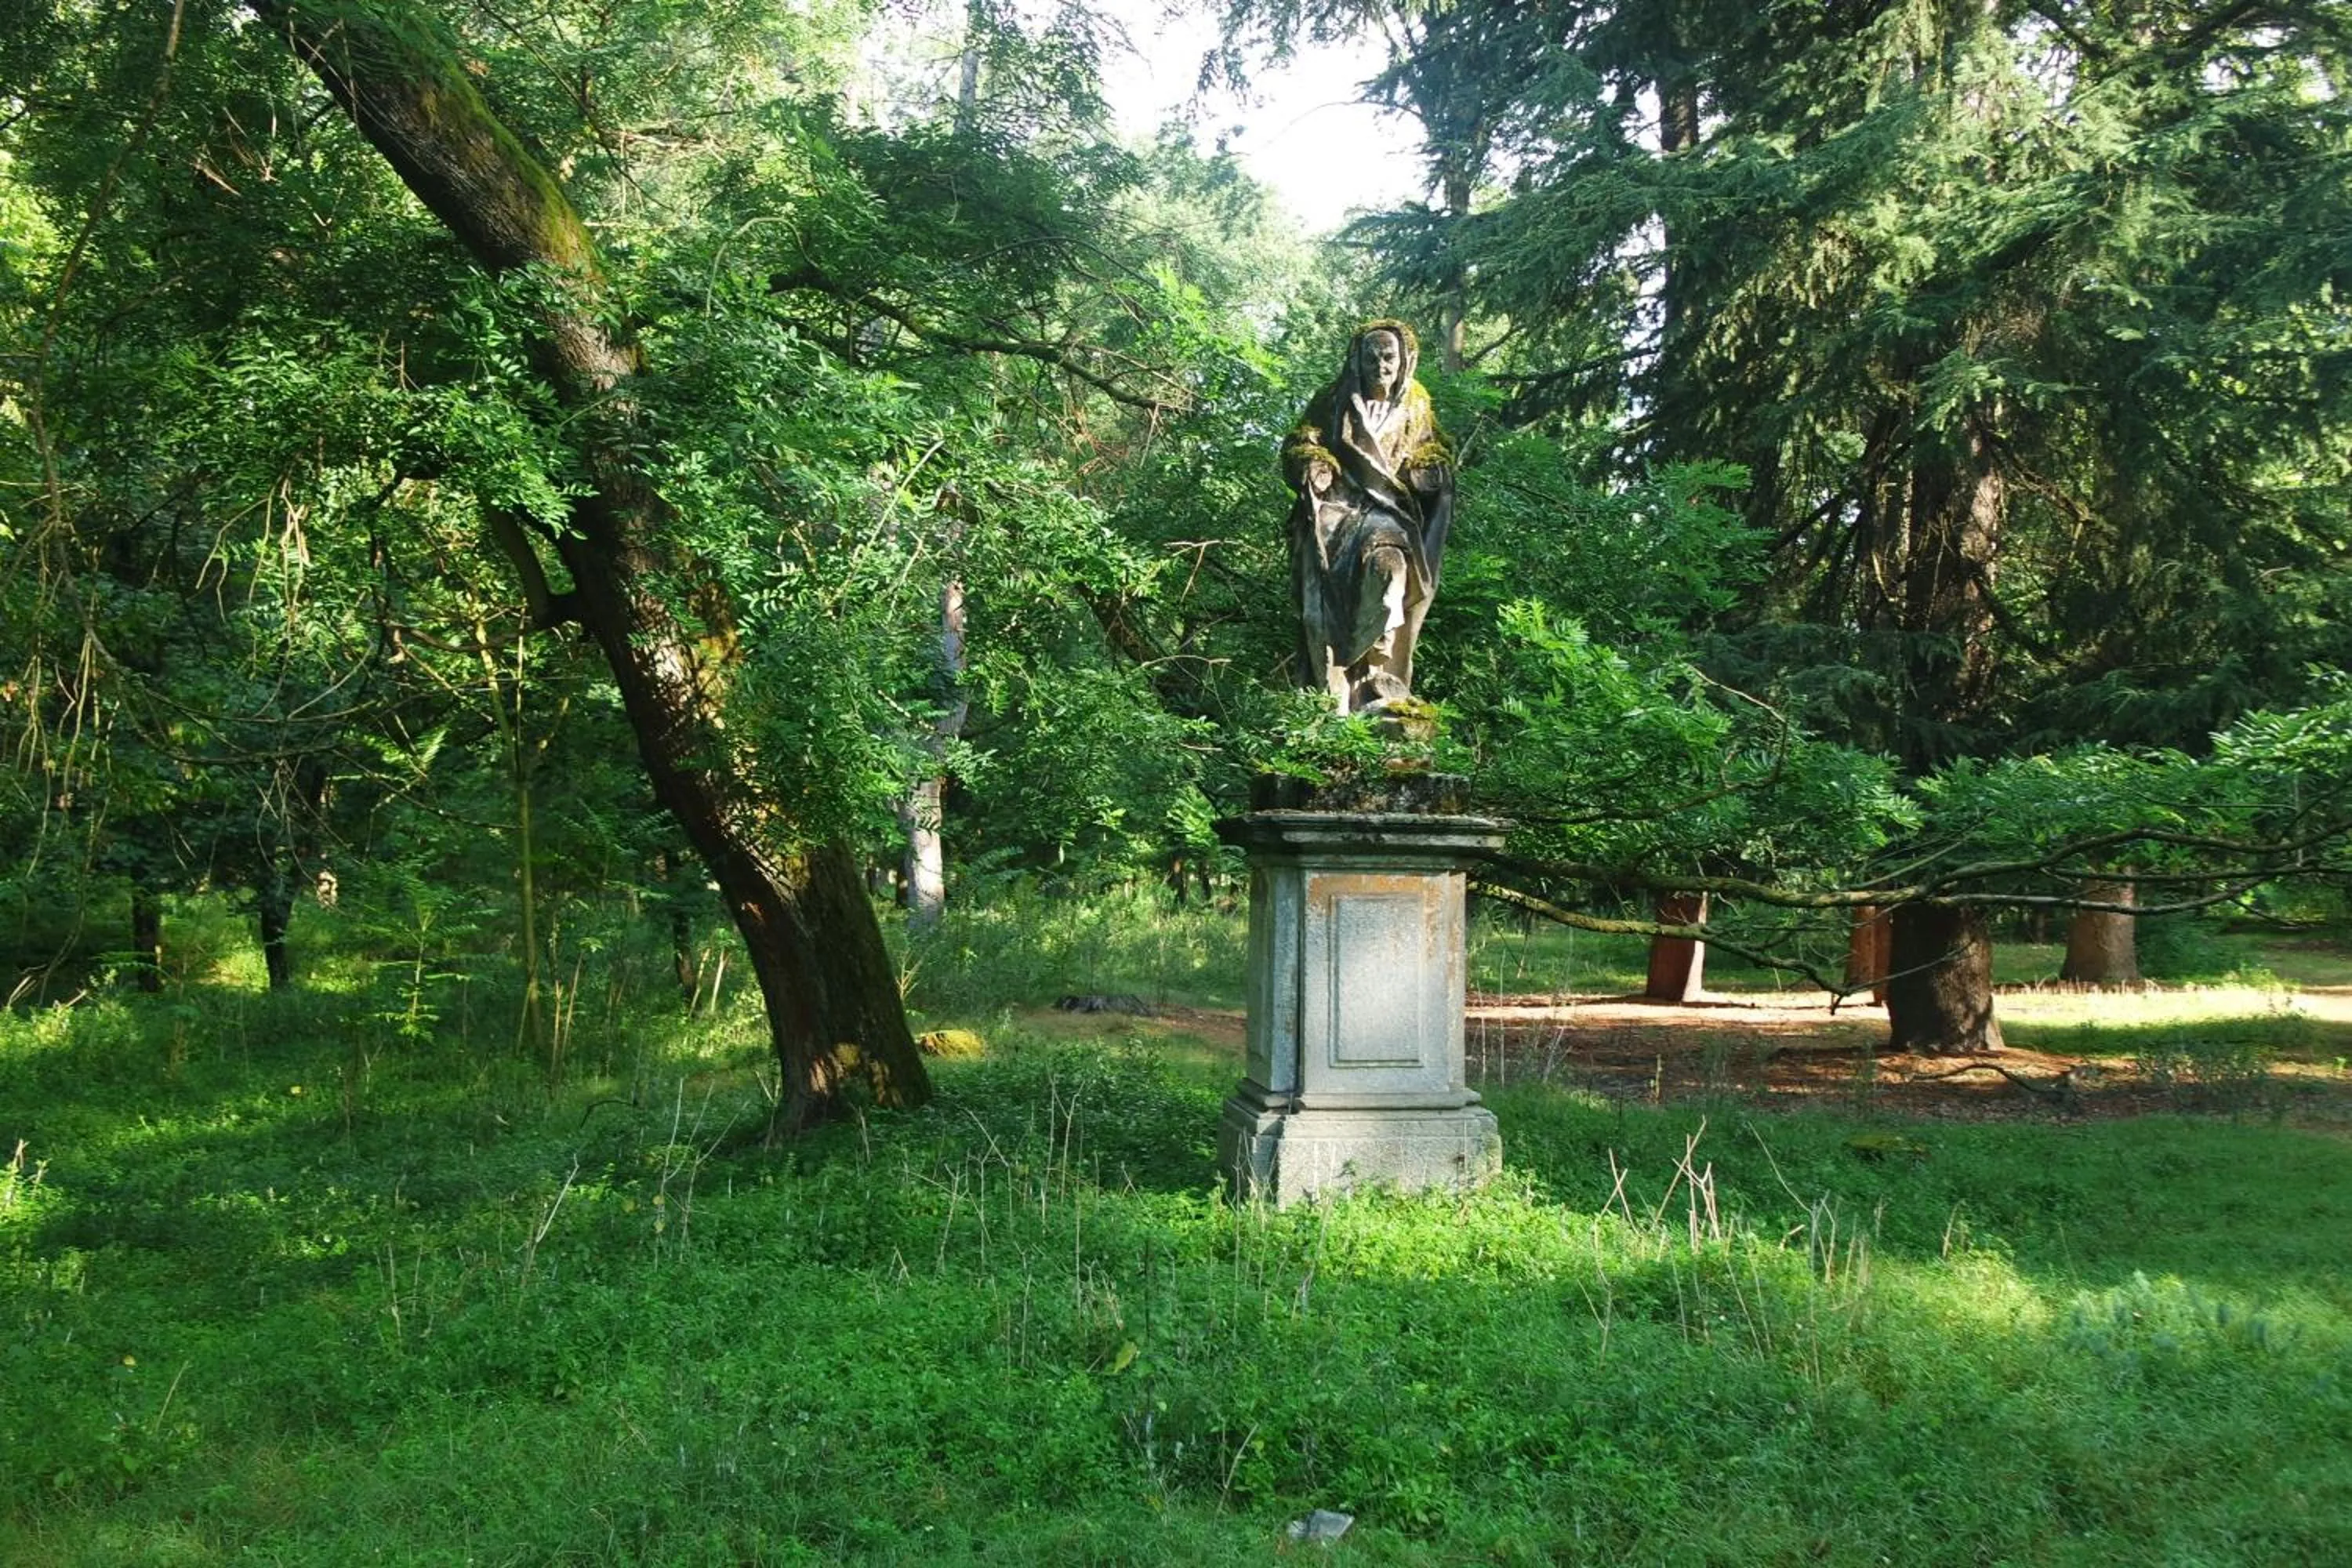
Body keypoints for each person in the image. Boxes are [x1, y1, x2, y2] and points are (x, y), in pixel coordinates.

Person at [1280, 320, 1456, 714]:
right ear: (1357, 360)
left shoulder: (1417, 405)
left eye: (1389, 356)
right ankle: (1339, 691)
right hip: (1337, 513)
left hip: (1390, 514)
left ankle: (1378, 667)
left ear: (1405, 360)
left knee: (1389, 568)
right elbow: (1301, 443)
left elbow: (1434, 453)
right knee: (1326, 594)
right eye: (1372, 356)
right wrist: (1313, 464)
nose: (1381, 364)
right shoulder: (1331, 401)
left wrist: (1429, 473)